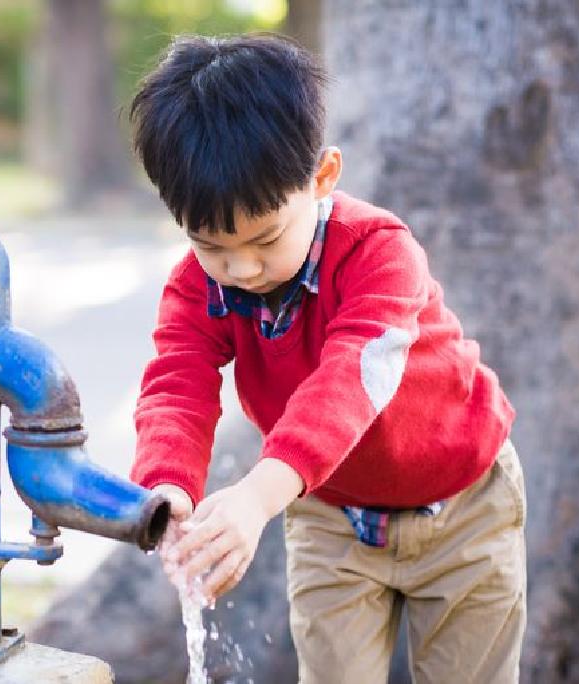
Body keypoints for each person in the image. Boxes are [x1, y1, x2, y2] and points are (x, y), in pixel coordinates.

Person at [127, 34, 525, 683]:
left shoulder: (378, 254)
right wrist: (168, 486)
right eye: (210, 245)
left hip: (463, 507)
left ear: (323, 177)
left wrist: (256, 498)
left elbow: (353, 378)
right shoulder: (199, 286)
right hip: (330, 515)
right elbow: (177, 383)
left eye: (264, 239)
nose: (241, 268)